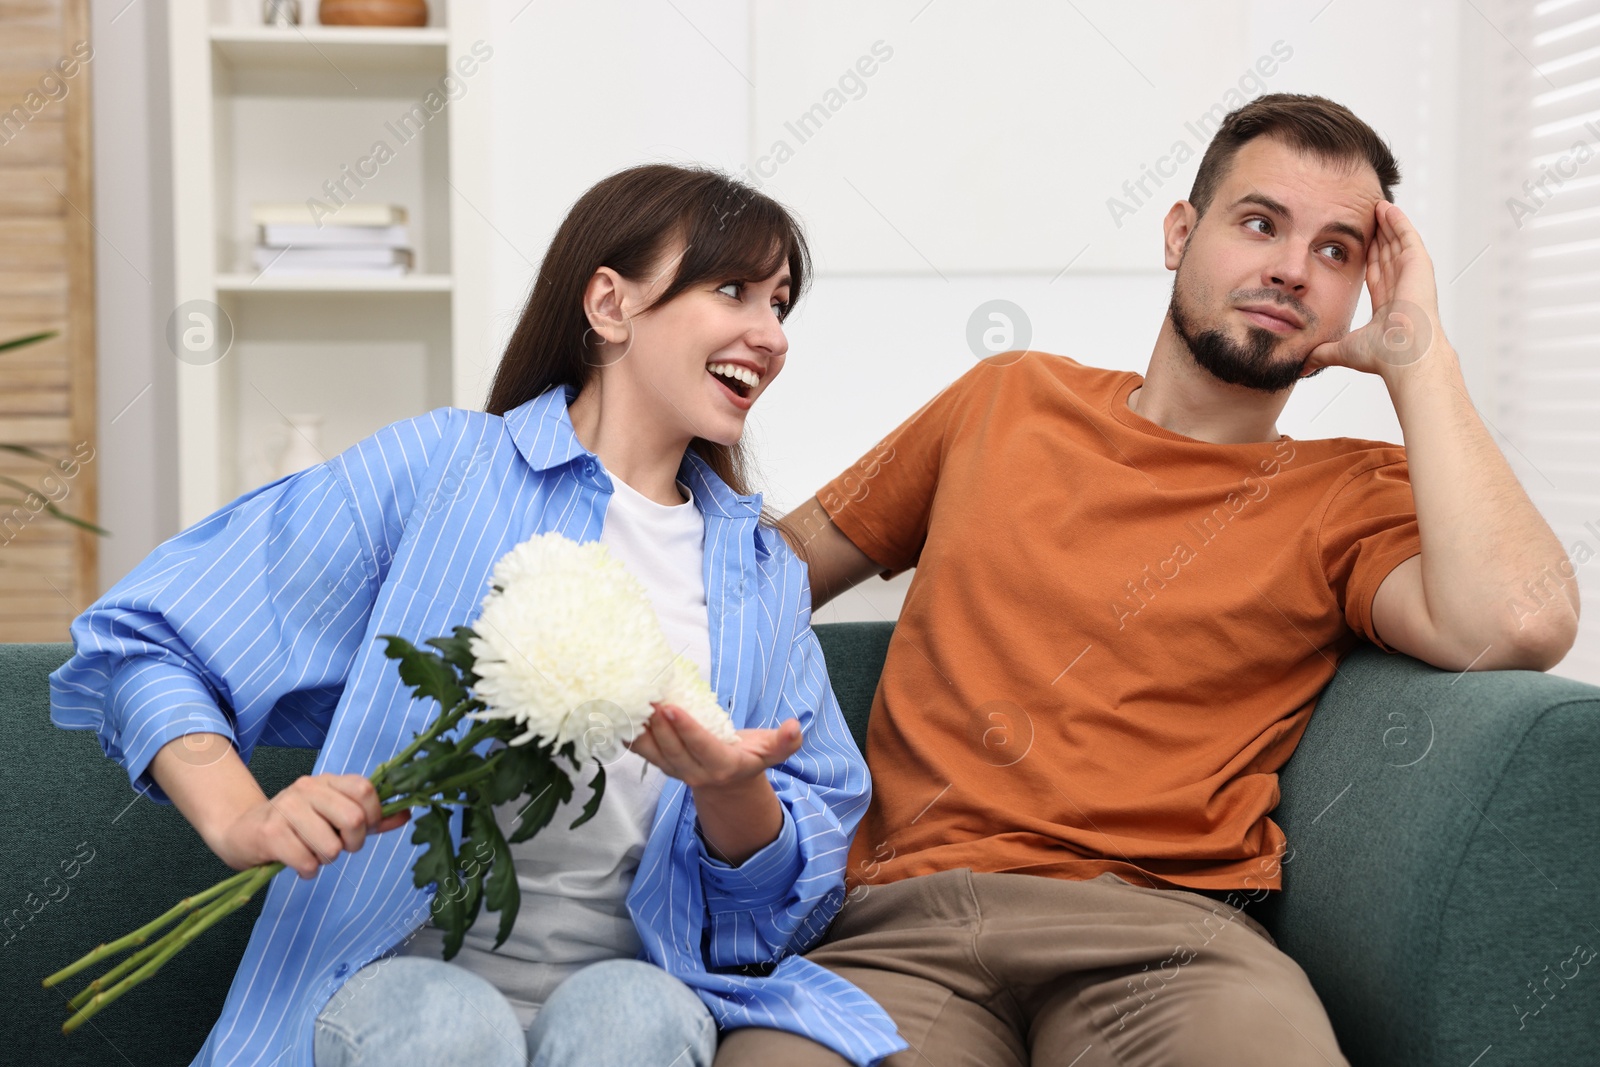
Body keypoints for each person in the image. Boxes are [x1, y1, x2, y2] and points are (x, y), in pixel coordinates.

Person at [717, 94, 1581, 1067]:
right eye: (1260, 223)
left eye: (1336, 252)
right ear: (1180, 232)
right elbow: (758, 583)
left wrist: (1420, 357)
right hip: (907, 927)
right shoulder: (1007, 399)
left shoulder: (1347, 491)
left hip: (1177, 938)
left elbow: (1519, 620)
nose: (1291, 269)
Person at [49, 164, 904, 1067]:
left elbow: (793, 903)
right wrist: (239, 819)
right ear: (610, 305)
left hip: (641, 986)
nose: (768, 334)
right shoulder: (444, 471)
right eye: (732, 289)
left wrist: (732, 789)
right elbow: (145, 637)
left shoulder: (762, 576)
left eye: (780, 304)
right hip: (392, 981)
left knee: (635, 1019)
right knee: (449, 1025)